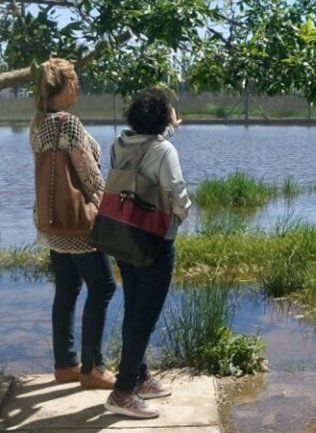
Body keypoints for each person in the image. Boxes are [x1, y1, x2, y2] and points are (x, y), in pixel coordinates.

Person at [30, 58, 117, 390]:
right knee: (104, 287)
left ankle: (65, 364)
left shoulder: (38, 123)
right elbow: (90, 176)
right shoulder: (68, 123)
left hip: (52, 223)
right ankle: (92, 368)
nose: (78, 86)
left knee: (67, 288)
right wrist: (108, 208)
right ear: (64, 86)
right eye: (75, 81)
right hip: (79, 224)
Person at [104, 87, 191, 419]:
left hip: (125, 235)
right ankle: (123, 391)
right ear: (163, 117)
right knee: (146, 316)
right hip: (156, 240)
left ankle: (139, 376)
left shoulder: (119, 143)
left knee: (134, 307)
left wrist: (169, 130)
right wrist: (180, 216)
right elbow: (176, 192)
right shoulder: (164, 150)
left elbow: (144, 151)